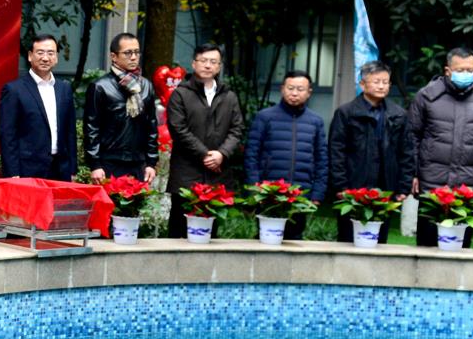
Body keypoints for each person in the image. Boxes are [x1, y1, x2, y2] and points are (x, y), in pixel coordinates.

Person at [408, 47, 473, 248]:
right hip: (432, 180)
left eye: (470, 70)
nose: (466, 74)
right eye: (460, 70)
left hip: (469, 182)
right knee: (427, 243)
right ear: (448, 70)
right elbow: (413, 136)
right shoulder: (427, 96)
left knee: (460, 244)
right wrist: (413, 173)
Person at [328, 61, 414, 243]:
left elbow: (406, 152)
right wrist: (341, 186)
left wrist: (403, 187)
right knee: (349, 237)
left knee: (379, 239)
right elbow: (336, 151)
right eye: (376, 82)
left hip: (385, 185)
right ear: (362, 84)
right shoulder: (346, 113)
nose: (381, 86)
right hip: (353, 185)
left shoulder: (398, 114)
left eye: (385, 82)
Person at [166, 43, 244, 239]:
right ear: (194, 64)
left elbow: (237, 129)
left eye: (213, 62)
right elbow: (178, 129)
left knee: (210, 231)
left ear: (219, 67)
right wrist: (205, 154)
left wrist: (222, 154)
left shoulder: (229, 97)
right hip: (186, 173)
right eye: (203, 60)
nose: (208, 65)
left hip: (217, 173)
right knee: (180, 229)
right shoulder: (180, 94)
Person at [243, 70, 327, 240]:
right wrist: (255, 189)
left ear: (309, 92)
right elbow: (251, 155)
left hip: (300, 193)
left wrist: (317, 193)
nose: (294, 93)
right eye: (290, 88)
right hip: (269, 192)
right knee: (266, 239)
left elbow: (322, 160)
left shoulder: (316, 121)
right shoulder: (264, 117)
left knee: (294, 240)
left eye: (300, 89)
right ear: (282, 89)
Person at [0, 33, 79, 180]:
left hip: (61, 169)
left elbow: (70, 131)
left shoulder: (64, 88)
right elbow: (7, 134)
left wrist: (72, 169)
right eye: (40, 53)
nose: (45, 58)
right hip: (27, 170)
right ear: (30, 56)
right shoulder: (14, 90)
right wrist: (12, 173)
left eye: (50, 53)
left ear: (56, 57)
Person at [84, 33, 159, 185]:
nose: (134, 57)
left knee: (139, 201)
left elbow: (151, 126)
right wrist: (95, 164)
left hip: (139, 162)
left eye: (136, 52)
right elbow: (91, 128)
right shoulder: (100, 87)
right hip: (109, 162)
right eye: (128, 53)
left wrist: (151, 162)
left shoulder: (146, 86)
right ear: (114, 56)